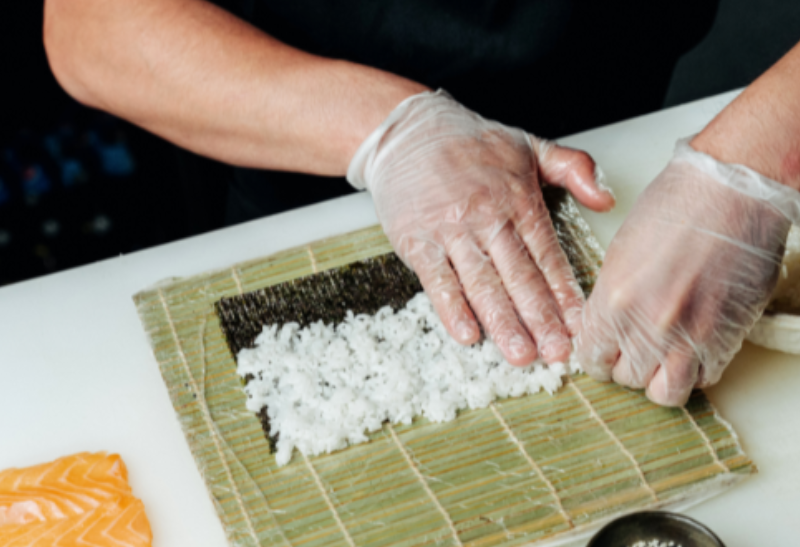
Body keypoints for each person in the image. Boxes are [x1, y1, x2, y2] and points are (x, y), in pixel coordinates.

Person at [43, 0, 800, 406]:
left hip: (619, 153)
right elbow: (91, 24)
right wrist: (389, 133)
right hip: (303, 162)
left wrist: (754, 166)